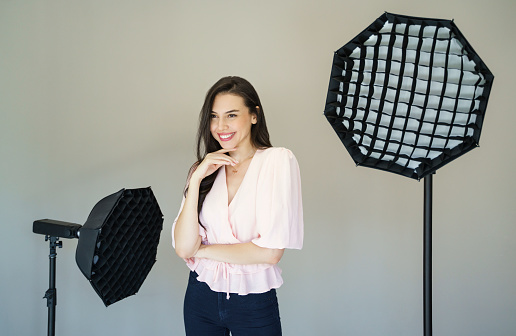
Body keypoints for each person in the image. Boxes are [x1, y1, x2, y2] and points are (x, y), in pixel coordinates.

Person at [172, 76, 303, 336]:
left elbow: (270, 253)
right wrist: (197, 178)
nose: (221, 126)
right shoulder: (203, 171)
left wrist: (203, 251)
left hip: (252, 301)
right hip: (200, 296)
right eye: (214, 116)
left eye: (231, 115)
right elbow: (183, 248)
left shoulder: (276, 162)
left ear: (254, 115)